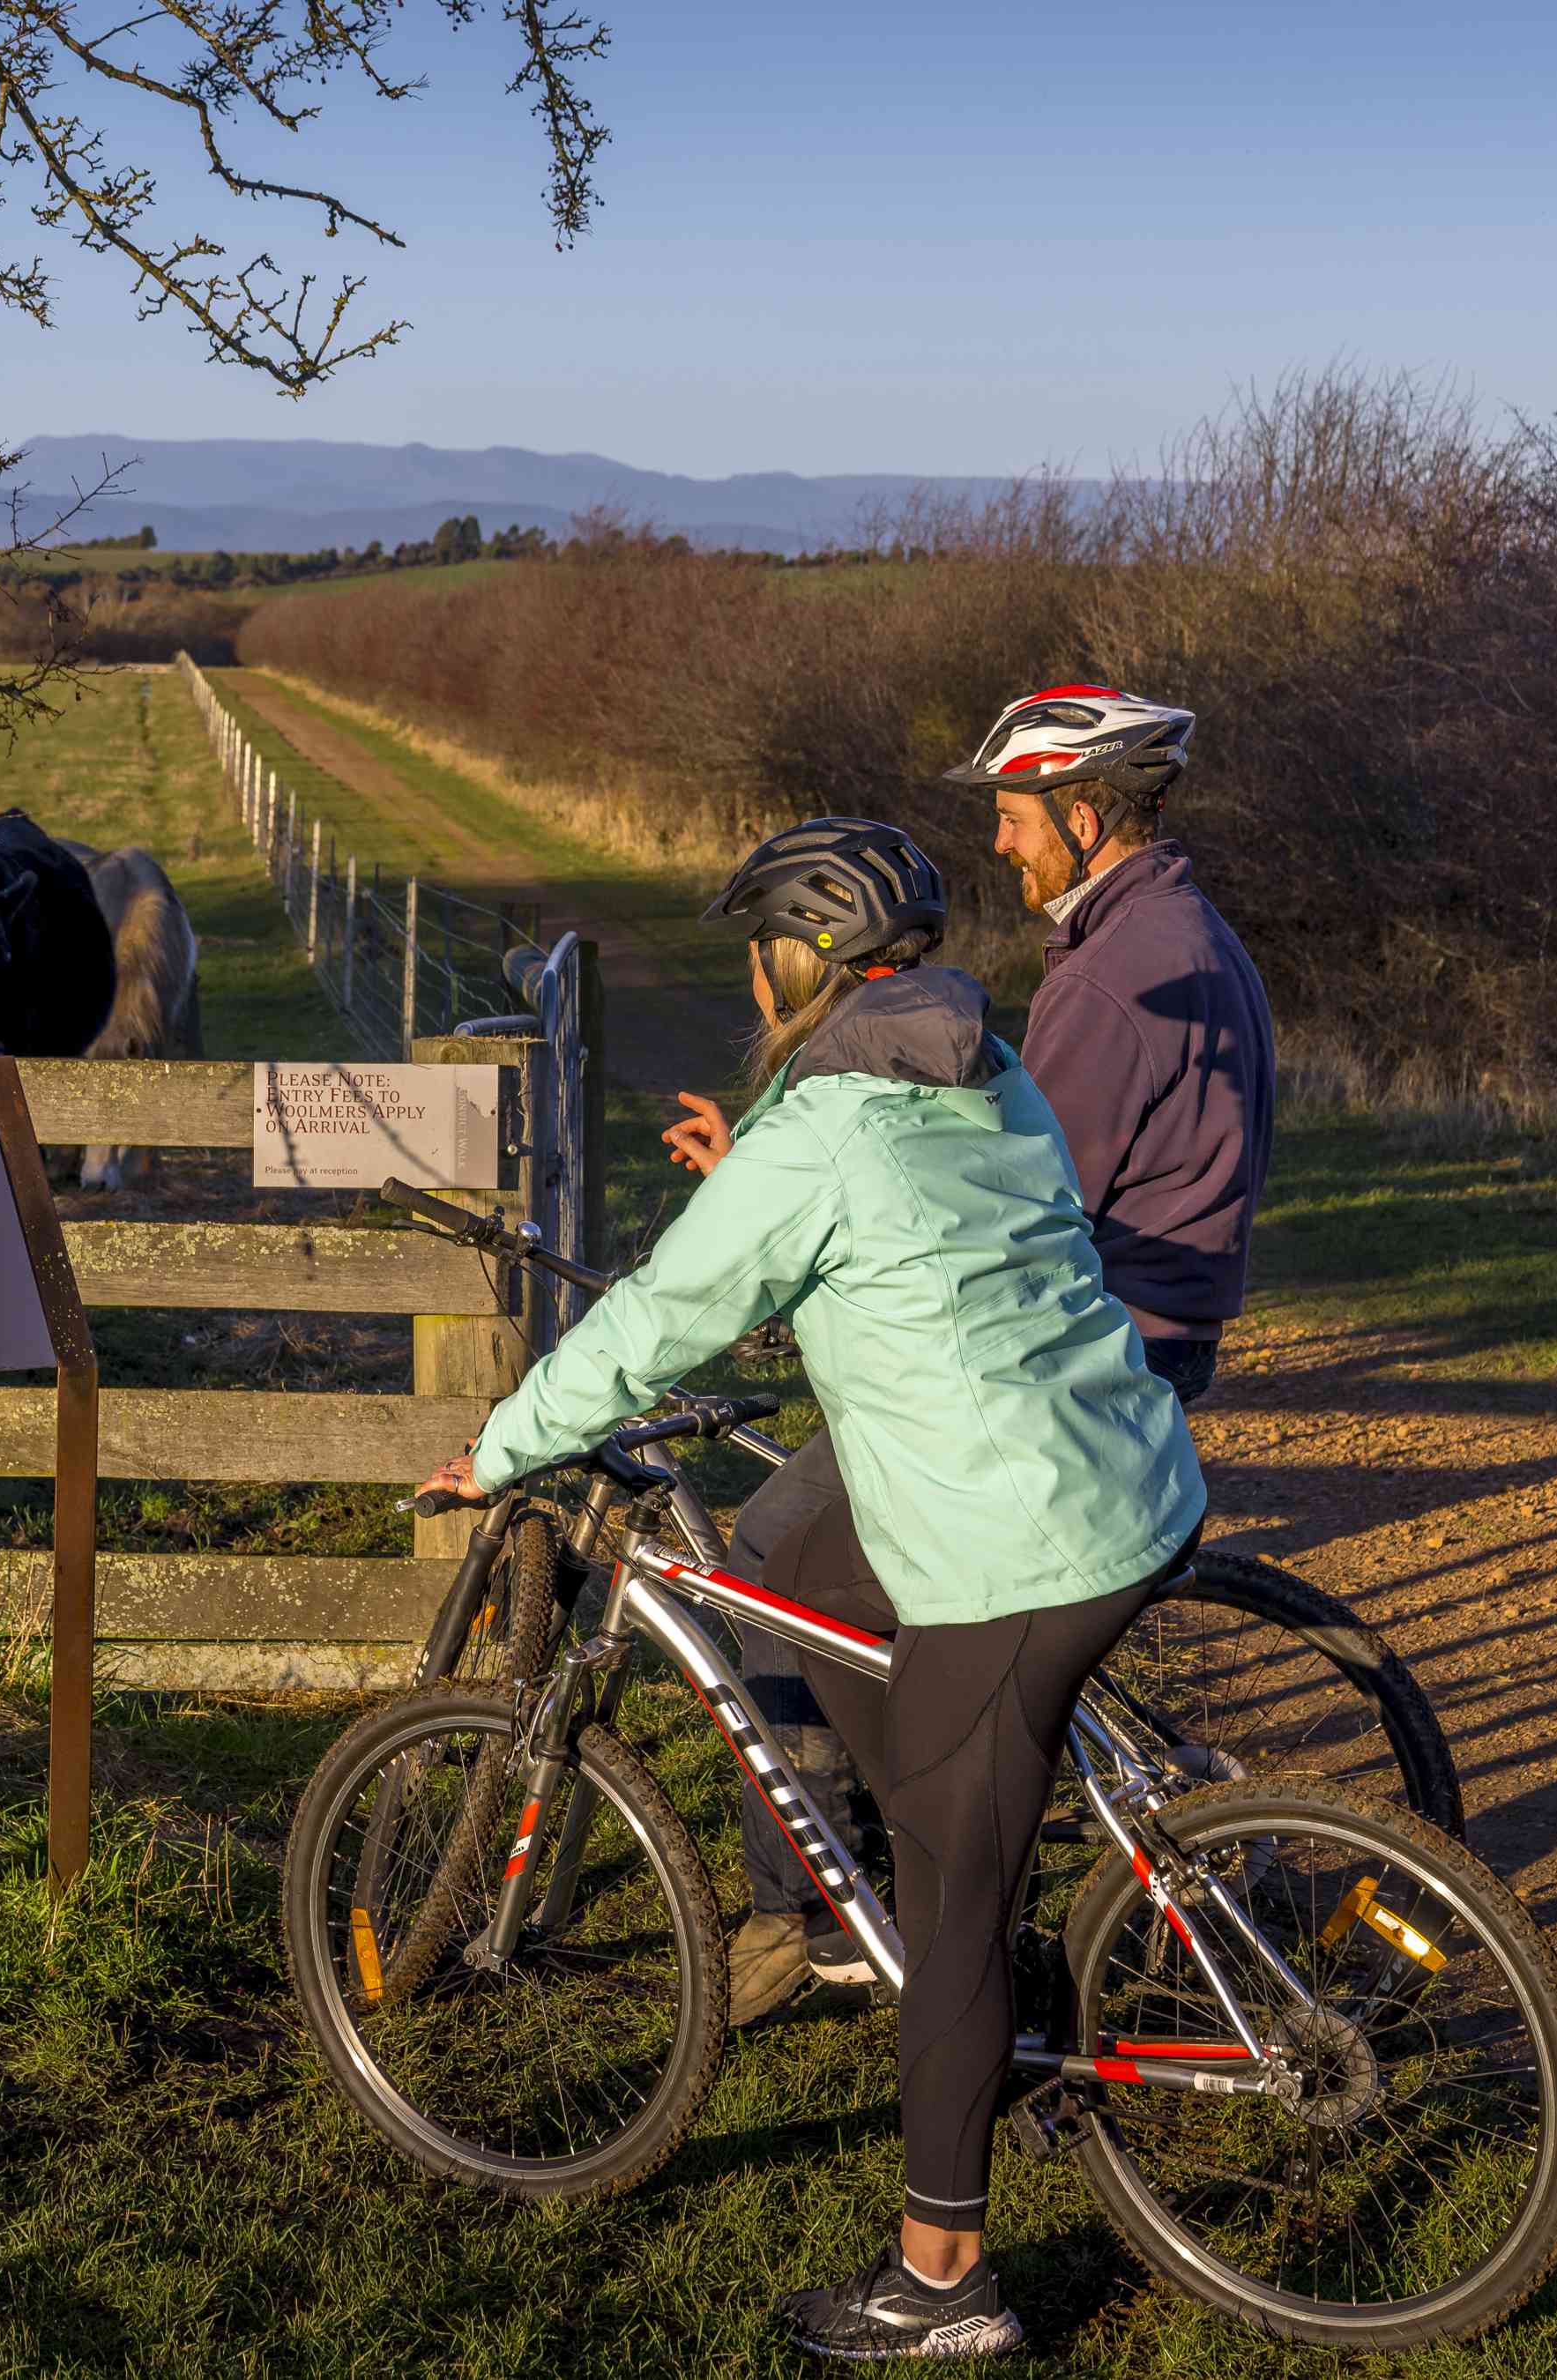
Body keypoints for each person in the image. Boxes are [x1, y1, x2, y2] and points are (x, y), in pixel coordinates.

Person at [412, 817, 1204, 2361]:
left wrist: (501, 1448)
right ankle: (917, 1907)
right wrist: (754, 1178)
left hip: (1019, 1540)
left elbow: (657, 1322)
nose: (750, 976)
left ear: (801, 962)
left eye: (758, 952)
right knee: (806, 1573)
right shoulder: (979, 1061)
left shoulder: (821, 1133)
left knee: (951, 1899)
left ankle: (944, 2284)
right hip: (1118, 1465)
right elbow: (893, 1227)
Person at [697, 685, 1278, 2028]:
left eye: (1016, 819)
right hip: (1150, 1331)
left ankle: (819, 1917)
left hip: (1062, 1360)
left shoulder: (1113, 977)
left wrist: (810, 1233)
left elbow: (1005, 1208)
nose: (1004, 848)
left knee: (769, 1556)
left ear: (1083, 816)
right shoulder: (1179, 934)